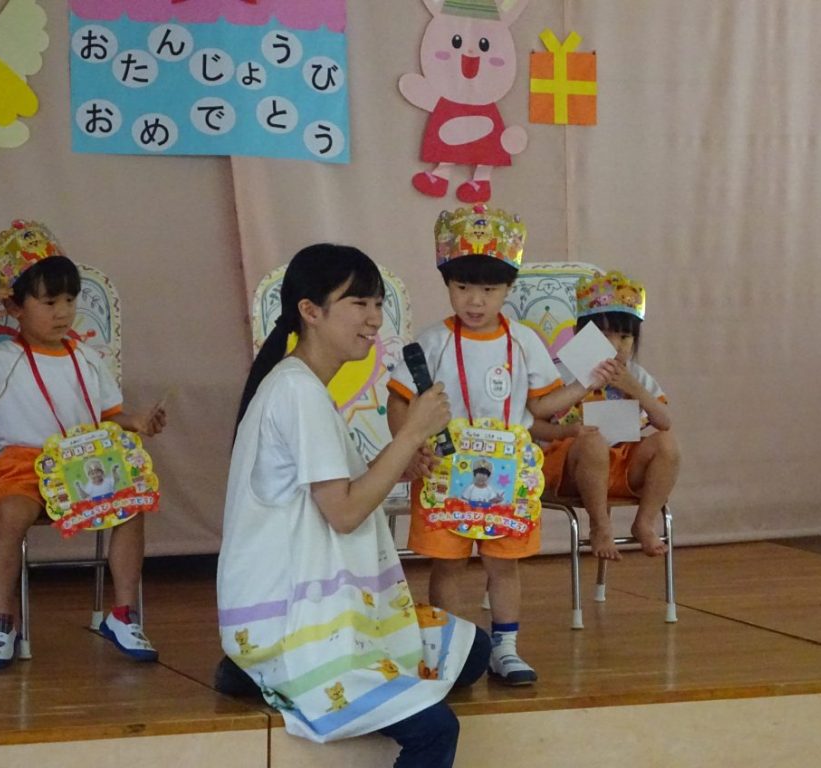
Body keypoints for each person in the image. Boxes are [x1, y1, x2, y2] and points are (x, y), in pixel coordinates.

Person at [214, 244, 489, 768]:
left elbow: (336, 492)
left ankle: (255, 676)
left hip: (324, 604)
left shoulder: (302, 386)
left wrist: (401, 460)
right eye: (359, 303)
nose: (374, 319)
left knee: (473, 652)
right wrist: (410, 435)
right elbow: (343, 513)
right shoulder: (297, 392)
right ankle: (268, 671)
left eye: (378, 304)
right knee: (435, 731)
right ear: (310, 311)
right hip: (294, 620)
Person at [387, 205, 614, 686]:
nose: (475, 300)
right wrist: (409, 448)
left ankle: (504, 648)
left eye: (489, 290)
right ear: (447, 285)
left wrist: (584, 384)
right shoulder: (432, 341)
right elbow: (400, 399)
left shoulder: (525, 342)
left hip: (507, 474)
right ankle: (444, 650)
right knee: (447, 564)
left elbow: (543, 405)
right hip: (444, 470)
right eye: (462, 287)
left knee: (503, 564)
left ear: (509, 289)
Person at [0, 219, 167, 669]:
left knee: (131, 505)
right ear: (16, 307)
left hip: (85, 466)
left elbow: (108, 417)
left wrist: (138, 421)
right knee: (10, 515)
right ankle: (2, 621)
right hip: (24, 467)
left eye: (69, 300)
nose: (62, 312)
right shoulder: (0, 357)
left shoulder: (87, 357)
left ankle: (123, 614)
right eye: (49, 302)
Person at [532, 271, 681, 561]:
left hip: (621, 468)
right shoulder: (560, 371)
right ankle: (600, 525)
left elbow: (664, 421)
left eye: (625, 337)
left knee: (667, 443)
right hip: (570, 469)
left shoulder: (635, 375)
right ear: (580, 335)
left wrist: (635, 389)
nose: (615, 345)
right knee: (592, 442)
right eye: (604, 335)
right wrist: (583, 385)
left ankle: (645, 521)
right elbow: (536, 416)